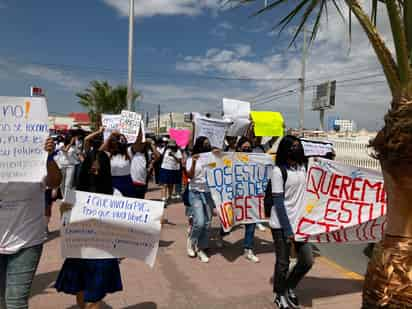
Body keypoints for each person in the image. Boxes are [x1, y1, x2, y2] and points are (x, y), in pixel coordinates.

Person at [55, 147, 123, 309]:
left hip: (102, 255)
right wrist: (63, 211)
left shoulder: (115, 195)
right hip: (78, 252)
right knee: (80, 291)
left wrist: (153, 221)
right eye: (92, 170)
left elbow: (125, 225)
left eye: (100, 170)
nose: (96, 174)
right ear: (85, 170)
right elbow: (65, 225)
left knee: (95, 296)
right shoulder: (74, 195)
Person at [0, 138, 62, 309]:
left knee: (15, 302)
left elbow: (55, 181)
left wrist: (48, 157)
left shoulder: (35, 155)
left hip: (27, 240)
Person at [270, 135, 313, 309]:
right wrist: (288, 230)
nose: (297, 149)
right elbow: (279, 203)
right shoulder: (278, 171)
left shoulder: (303, 168)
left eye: (299, 146)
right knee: (283, 263)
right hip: (281, 225)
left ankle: (288, 287)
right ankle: (279, 294)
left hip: (300, 225)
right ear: (286, 150)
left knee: (307, 261)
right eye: (293, 147)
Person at [186, 136, 214, 263]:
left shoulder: (211, 158)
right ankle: (191, 241)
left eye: (208, 144)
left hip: (208, 193)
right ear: (199, 145)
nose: (207, 146)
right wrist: (193, 162)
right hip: (195, 192)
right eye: (205, 144)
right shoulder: (192, 158)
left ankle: (200, 248)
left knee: (208, 223)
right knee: (200, 222)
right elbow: (190, 175)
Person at [236, 137, 260, 263]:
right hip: (236, 197)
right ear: (239, 148)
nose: (247, 149)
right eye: (244, 147)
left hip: (251, 197)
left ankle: (248, 249)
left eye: (249, 147)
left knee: (251, 223)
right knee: (230, 222)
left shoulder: (256, 159)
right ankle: (222, 235)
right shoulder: (231, 159)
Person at [100, 132, 135, 198]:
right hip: (113, 182)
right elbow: (99, 151)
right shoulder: (108, 154)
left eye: (121, 141)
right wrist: (110, 136)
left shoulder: (129, 153)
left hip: (127, 182)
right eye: (117, 141)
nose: (119, 142)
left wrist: (122, 136)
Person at [128, 130, 160, 199]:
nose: (141, 144)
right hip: (131, 182)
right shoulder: (131, 151)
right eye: (141, 143)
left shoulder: (146, 154)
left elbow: (158, 156)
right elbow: (135, 142)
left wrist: (151, 144)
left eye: (143, 143)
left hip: (142, 183)